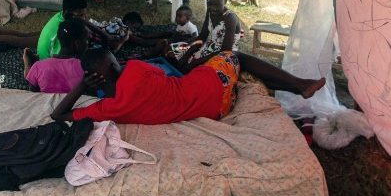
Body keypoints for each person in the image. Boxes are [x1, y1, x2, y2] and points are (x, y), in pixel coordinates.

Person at [50, 47, 326, 125]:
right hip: (212, 88)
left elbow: (58, 116)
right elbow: (176, 76)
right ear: (114, 64)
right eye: (116, 59)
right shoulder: (135, 69)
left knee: (217, 66)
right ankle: (298, 85)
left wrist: (78, 88)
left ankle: (295, 88)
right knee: (234, 57)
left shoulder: (109, 108)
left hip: (217, 111)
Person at [36, 0, 123, 60]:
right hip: (52, 64)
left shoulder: (64, 16)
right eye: (81, 15)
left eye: (85, 14)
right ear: (67, 13)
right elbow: (61, 59)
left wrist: (104, 34)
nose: (84, 18)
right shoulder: (62, 31)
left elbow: (85, 21)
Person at [23, 19, 90, 93]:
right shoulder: (84, 67)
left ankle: (28, 69)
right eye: (87, 40)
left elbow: (33, 94)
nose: (88, 44)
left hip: (45, 103)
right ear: (77, 44)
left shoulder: (38, 66)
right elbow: (99, 93)